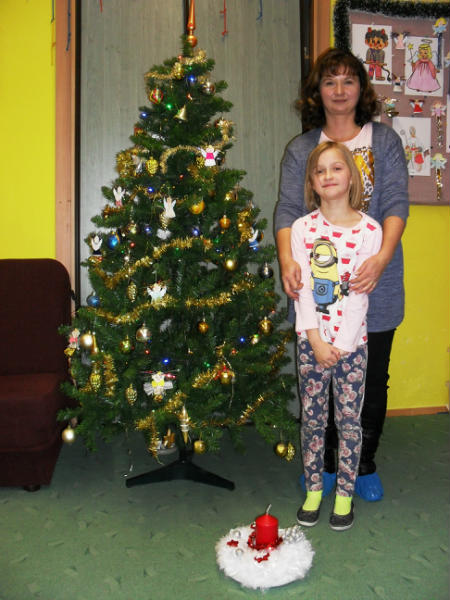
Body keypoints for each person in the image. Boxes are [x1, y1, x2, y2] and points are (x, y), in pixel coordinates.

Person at [274, 47, 409, 502]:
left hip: (376, 282)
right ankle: (326, 466)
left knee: (369, 379)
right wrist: (288, 261)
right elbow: (288, 210)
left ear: (360, 89)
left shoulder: (384, 142)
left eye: (348, 80)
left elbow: (396, 203)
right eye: (329, 81)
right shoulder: (301, 150)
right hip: (319, 291)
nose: (338, 90)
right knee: (321, 377)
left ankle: (363, 463)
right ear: (318, 91)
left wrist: (381, 258)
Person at [292, 140, 382, 530]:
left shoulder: (370, 230)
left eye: (336, 168)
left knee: (348, 422)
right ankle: (314, 489)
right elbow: (303, 291)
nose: (328, 175)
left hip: (351, 347)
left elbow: (359, 296)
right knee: (313, 420)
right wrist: (315, 341)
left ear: (351, 177)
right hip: (311, 342)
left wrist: (341, 347)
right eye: (320, 170)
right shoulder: (302, 228)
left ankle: (344, 494)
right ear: (312, 182)